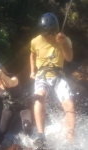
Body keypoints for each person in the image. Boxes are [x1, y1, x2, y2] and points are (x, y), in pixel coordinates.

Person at [30, 13, 76, 149]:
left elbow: (69, 58)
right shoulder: (35, 41)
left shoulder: (64, 39)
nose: (49, 37)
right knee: (39, 97)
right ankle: (41, 135)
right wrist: (32, 71)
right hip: (42, 76)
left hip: (58, 77)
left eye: (51, 34)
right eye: (46, 35)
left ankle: (71, 139)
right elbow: (32, 55)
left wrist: (63, 43)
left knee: (70, 104)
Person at [0, 62, 33, 149]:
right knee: (2, 130)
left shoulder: (13, 79)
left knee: (27, 125)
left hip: (23, 105)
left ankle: (31, 144)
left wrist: (2, 76)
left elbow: (10, 84)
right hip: (9, 106)